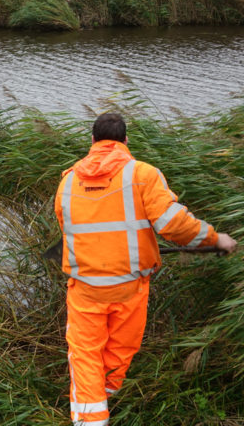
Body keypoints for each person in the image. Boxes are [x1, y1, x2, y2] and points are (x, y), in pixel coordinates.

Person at [53, 113, 237, 426]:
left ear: (93, 142)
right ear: (125, 141)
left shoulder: (68, 179)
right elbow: (174, 225)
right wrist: (216, 238)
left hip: (85, 287)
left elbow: (67, 226)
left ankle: (91, 416)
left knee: (85, 355)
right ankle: (102, 400)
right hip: (129, 286)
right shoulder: (142, 174)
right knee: (121, 349)